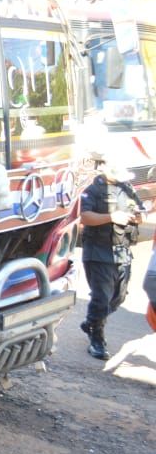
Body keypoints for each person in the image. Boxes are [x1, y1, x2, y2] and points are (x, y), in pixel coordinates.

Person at [79, 152, 146, 360]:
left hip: (122, 251)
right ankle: (97, 339)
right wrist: (111, 217)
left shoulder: (127, 188)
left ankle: (91, 322)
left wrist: (137, 217)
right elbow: (84, 217)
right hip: (98, 252)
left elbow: (141, 212)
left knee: (118, 298)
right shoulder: (92, 191)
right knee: (101, 298)